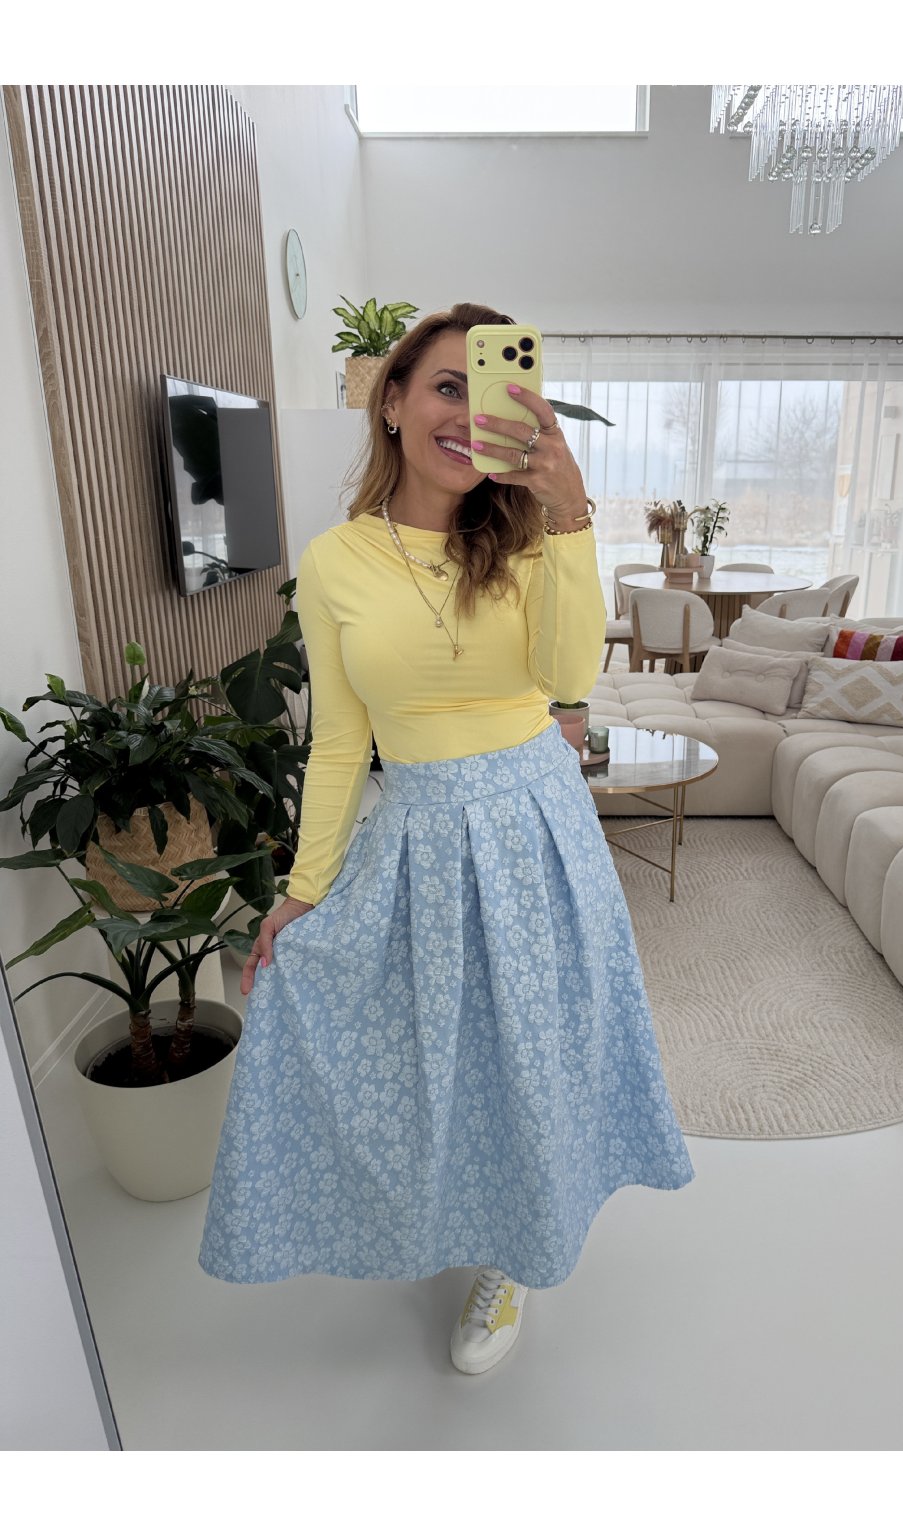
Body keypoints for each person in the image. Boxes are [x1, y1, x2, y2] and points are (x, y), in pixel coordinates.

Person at [198, 302, 695, 1376]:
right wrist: (302, 889)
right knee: (438, 1051)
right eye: (446, 386)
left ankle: (514, 1256)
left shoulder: (527, 540)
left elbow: (567, 678)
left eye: (492, 389)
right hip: (418, 836)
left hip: (536, 831)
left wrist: (568, 515)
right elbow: (342, 740)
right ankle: (451, 1210)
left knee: (532, 1056)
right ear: (391, 402)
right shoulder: (335, 562)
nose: (468, 415)